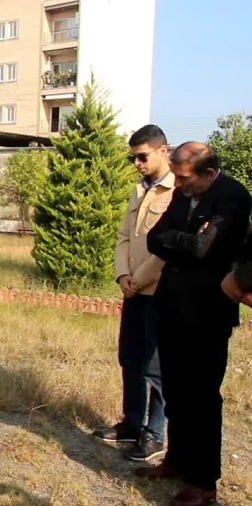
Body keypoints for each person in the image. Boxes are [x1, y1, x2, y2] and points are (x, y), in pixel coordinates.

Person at [139, 141, 250, 506]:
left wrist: (183, 244)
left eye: (184, 177)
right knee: (176, 391)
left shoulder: (232, 196)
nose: (178, 183)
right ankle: (177, 460)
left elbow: (209, 250)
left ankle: (203, 483)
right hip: (171, 304)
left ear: (207, 172)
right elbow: (156, 239)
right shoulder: (184, 192)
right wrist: (189, 240)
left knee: (201, 398)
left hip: (208, 312)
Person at [93, 125, 173, 461]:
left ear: (162, 151)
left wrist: (139, 278)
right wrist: (122, 275)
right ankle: (132, 423)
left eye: (143, 156)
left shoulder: (175, 191)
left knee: (157, 366)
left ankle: (155, 433)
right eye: (134, 158)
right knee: (131, 358)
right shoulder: (139, 190)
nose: (137, 163)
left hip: (158, 291)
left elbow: (165, 248)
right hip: (133, 290)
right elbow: (124, 236)